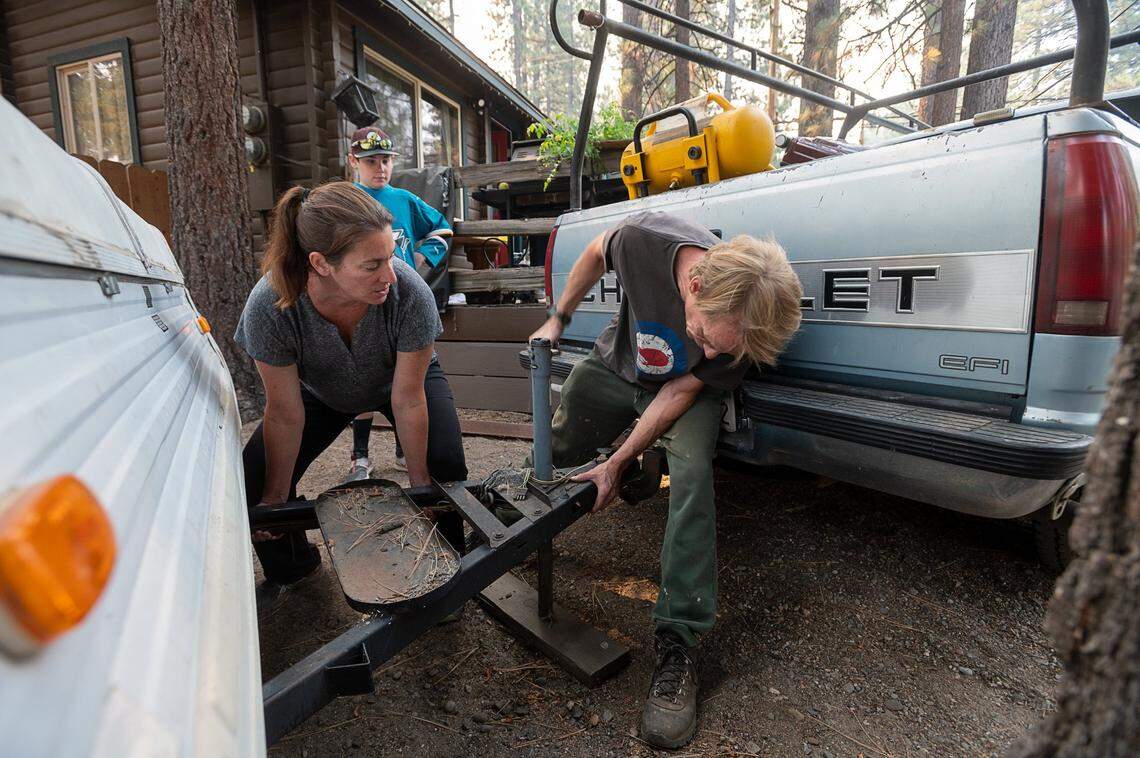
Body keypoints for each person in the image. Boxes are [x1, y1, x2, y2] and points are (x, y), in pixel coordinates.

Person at [529, 210, 802, 749]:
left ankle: (679, 640)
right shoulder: (642, 240)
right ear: (694, 286)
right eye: (708, 335)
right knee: (561, 440)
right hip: (621, 363)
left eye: (728, 351)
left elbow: (680, 392)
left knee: (693, 475)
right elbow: (590, 255)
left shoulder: (739, 329)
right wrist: (558, 316)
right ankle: (514, 512)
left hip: (680, 387)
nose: (719, 353)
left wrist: (620, 460)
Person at [235, 181, 467, 594]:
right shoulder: (269, 307)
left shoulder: (409, 292)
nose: (389, 276)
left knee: (443, 465)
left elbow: (408, 398)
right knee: (253, 481)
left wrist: (420, 490)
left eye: (391, 257)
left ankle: (446, 572)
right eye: (371, 265)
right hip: (322, 391)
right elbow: (285, 413)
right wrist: (273, 502)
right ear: (322, 263)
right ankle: (295, 568)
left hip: (400, 379)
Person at [345, 126, 453, 481]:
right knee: (361, 379)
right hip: (358, 306)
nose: (380, 168)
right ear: (353, 162)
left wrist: (421, 261)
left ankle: (406, 448)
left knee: (406, 379)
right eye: (371, 161)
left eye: (386, 160)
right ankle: (359, 456)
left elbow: (441, 229)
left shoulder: (405, 200)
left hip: (401, 305)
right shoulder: (346, 201)